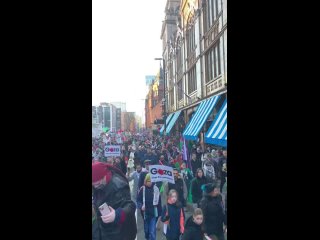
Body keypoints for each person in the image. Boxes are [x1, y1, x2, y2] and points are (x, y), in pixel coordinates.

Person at [92, 162, 137, 240]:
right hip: (103, 230)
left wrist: (117, 215)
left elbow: (130, 206)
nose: (95, 187)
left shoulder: (118, 186)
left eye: (97, 184)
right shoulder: (97, 184)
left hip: (118, 233)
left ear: (104, 177)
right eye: (93, 185)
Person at [137, 173, 162, 240]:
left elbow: (159, 203)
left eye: (151, 181)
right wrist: (141, 206)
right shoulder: (142, 189)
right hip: (145, 214)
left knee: (152, 232)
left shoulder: (156, 189)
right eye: (148, 181)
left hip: (153, 214)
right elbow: (138, 201)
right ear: (145, 181)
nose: (150, 182)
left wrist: (160, 215)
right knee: (147, 231)